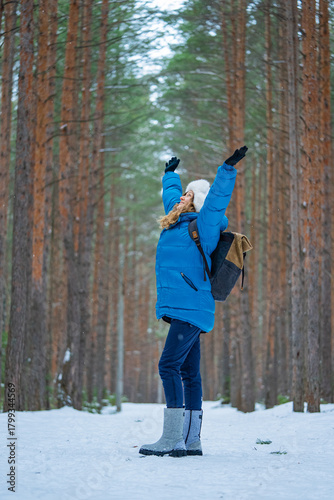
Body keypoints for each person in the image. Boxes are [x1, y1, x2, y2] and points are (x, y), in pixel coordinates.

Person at [139, 146, 248, 457]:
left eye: (188, 194)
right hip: (183, 308)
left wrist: (226, 171)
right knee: (188, 372)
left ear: (197, 200)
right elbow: (171, 198)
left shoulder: (204, 224)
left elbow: (216, 202)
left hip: (191, 306)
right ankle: (192, 441)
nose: (182, 197)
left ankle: (172, 438)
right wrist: (170, 175)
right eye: (183, 194)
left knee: (167, 365)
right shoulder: (176, 221)